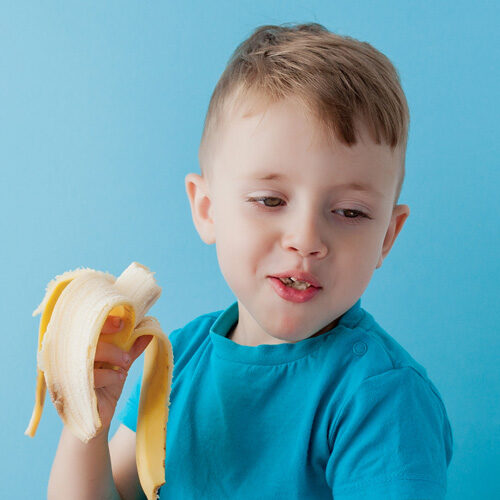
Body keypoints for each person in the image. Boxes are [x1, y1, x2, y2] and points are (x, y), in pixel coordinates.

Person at [47, 22, 453, 499]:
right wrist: (86, 418)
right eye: (269, 200)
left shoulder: (382, 397)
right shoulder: (179, 361)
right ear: (207, 209)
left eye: (348, 212)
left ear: (386, 236)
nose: (306, 240)